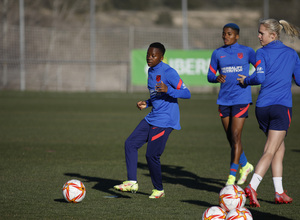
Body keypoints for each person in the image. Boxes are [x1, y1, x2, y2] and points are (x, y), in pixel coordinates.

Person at [114, 42, 191, 199]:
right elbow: (157, 95)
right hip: (153, 116)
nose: (149, 58)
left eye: (153, 55)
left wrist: (168, 89)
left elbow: (186, 93)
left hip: (166, 120)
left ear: (161, 57)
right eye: (148, 55)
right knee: (130, 144)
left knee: (151, 155)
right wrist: (147, 103)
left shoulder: (169, 72)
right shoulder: (150, 71)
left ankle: (159, 190)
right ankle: (132, 182)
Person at [237, 19, 300, 207]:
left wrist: (247, 80)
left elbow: (259, 76)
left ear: (273, 35)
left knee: (278, 148)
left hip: (263, 108)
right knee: (271, 149)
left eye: (261, 33)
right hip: (281, 108)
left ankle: (279, 192)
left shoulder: (261, 52)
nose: (258, 36)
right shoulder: (292, 53)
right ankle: (252, 186)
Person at [207, 23, 255, 186]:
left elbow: (261, 69)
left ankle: (231, 176)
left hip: (241, 99)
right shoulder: (217, 53)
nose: (225, 36)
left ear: (237, 36)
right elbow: (210, 75)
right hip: (224, 100)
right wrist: (216, 78)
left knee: (235, 136)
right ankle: (246, 165)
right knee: (231, 137)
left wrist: (249, 80)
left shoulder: (247, 51)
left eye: (229, 34)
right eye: (224, 34)